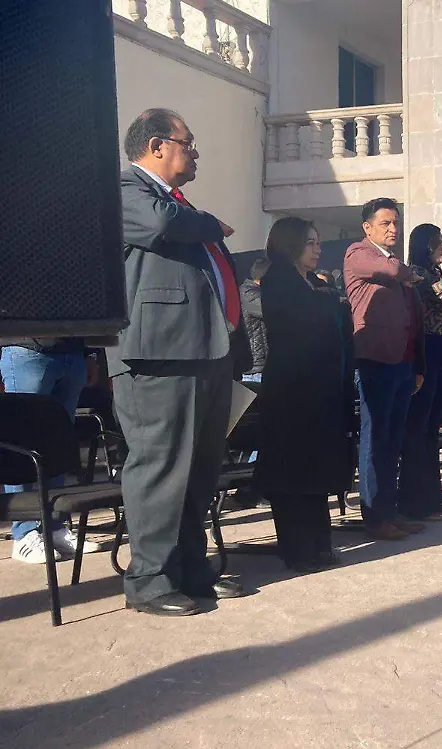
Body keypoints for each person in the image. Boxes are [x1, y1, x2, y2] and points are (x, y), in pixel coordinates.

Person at [110, 108, 249, 615]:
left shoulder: (178, 203)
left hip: (204, 351)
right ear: (157, 146)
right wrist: (213, 224)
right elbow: (160, 224)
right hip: (157, 352)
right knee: (160, 466)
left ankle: (191, 572)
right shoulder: (126, 188)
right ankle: (149, 581)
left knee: (198, 469)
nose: (195, 153)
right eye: (188, 143)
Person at [252, 218, 354, 572]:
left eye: (317, 241)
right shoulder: (278, 279)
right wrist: (332, 301)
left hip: (318, 388)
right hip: (291, 389)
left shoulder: (311, 282)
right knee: (292, 472)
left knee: (316, 470)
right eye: (310, 242)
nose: (317, 248)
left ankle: (320, 544)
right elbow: (309, 319)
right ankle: (298, 549)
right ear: (290, 243)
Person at [344, 197, 427, 540]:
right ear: (368, 227)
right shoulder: (359, 253)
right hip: (374, 359)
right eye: (385, 224)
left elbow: (416, 316)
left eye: (395, 223)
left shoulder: (393, 262)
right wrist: (410, 273)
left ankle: (390, 511)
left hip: (403, 361)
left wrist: (418, 365)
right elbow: (394, 271)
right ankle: (374, 516)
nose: (393, 229)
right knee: (375, 438)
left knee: (393, 440)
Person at [2, 338, 100, 564]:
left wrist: (90, 355)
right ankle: (24, 533)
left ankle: (54, 526)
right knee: (21, 444)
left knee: (58, 442)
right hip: (26, 348)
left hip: (73, 351)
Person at [398, 224, 442, 522]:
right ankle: (414, 502)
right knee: (418, 428)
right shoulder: (415, 273)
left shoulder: (436, 275)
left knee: (432, 428)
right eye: (439, 242)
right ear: (426, 245)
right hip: (422, 350)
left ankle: (431, 500)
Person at [239, 257, 270, 382]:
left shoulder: (257, 292)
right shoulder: (249, 294)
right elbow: (272, 309)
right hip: (256, 369)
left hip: (264, 366)